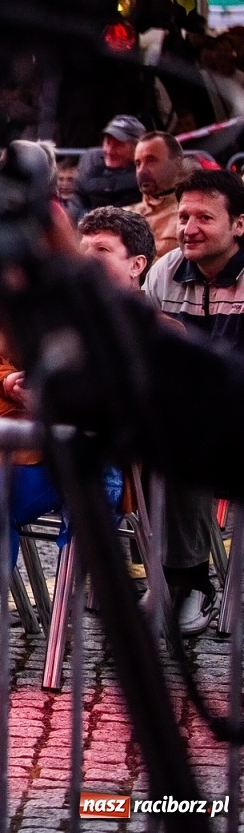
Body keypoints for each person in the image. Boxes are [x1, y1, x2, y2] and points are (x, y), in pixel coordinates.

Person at [0, 208, 154, 683]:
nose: (87, 258)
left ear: (136, 264)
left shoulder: (148, 318)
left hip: (94, 457)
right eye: (84, 248)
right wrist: (16, 386)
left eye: (103, 250)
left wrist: (58, 397)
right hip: (25, 439)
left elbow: (134, 402)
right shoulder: (57, 303)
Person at [143, 169, 244, 632]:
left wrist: (184, 337)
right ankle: (162, 576)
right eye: (183, 216)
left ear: (238, 225)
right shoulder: (165, 271)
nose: (189, 228)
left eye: (204, 217)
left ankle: (189, 584)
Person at [125, 130, 188, 258]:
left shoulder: (189, 216)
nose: (142, 170)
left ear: (177, 164)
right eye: (138, 163)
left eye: (151, 160)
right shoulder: (125, 215)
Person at [73, 114, 145, 214]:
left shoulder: (146, 169)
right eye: (107, 142)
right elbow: (88, 185)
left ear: (136, 147)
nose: (110, 151)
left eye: (118, 145)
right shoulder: (92, 157)